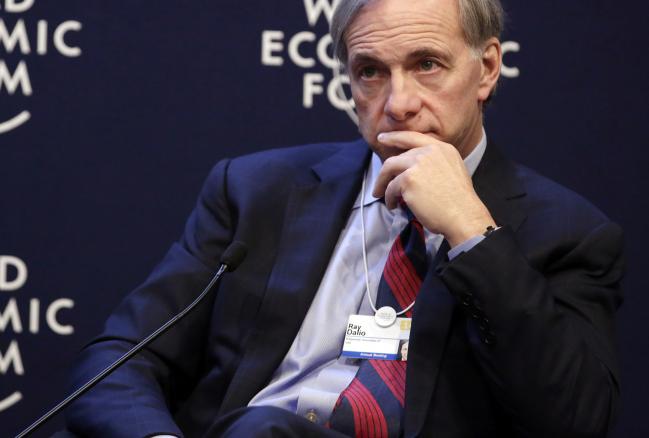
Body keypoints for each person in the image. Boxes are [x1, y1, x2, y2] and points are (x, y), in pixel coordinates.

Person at [64, 0, 624, 437]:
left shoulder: (567, 233)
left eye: (427, 65)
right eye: (371, 72)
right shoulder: (256, 191)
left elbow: (571, 419)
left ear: (487, 70)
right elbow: (119, 360)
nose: (398, 102)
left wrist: (471, 232)